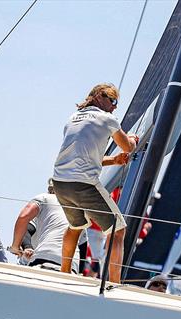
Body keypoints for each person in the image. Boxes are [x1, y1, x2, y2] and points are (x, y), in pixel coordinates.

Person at [51, 83, 137, 283]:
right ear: (99, 96)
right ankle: (114, 284)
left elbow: (84, 157)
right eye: (113, 100)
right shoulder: (107, 119)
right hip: (84, 185)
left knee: (75, 226)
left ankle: (64, 275)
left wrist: (114, 160)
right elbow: (127, 146)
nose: (115, 106)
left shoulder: (72, 118)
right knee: (118, 230)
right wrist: (132, 140)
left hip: (60, 182)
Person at [10, 180, 84, 272]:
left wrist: (16, 247)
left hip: (44, 256)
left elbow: (24, 218)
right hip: (71, 265)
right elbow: (83, 246)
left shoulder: (45, 198)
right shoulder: (80, 209)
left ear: (51, 189)